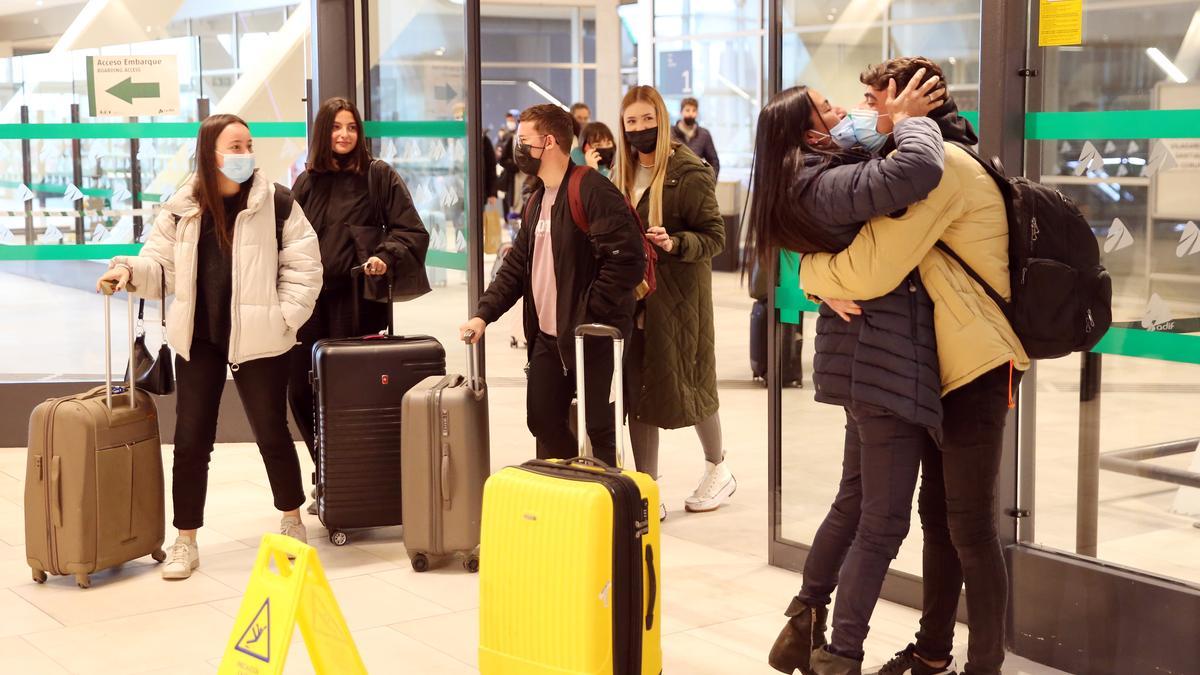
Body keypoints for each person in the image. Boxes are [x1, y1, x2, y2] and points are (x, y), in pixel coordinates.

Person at [799, 57, 1030, 675]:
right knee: (937, 518)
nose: (861, 112)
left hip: (977, 364)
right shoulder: (930, 156)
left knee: (970, 526)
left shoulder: (944, 167)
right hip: (940, 364)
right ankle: (932, 653)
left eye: (875, 99)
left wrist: (807, 275)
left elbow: (875, 266)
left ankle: (983, 664)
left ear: (907, 104)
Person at [739, 68, 951, 673]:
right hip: (883, 360)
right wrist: (910, 124)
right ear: (807, 137)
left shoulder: (801, 177)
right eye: (829, 112)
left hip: (861, 359)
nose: (843, 116)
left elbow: (867, 165)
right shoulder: (821, 184)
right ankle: (841, 654)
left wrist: (887, 124)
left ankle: (803, 620)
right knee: (884, 522)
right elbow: (914, 172)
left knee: (854, 501)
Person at [96, 114, 322, 581]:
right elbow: (160, 265)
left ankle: (291, 519)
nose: (244, 155)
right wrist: (127, 272)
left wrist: (283, 318)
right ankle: (186, 539)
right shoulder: (182, 207)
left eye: (248, 145)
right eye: (234, 147)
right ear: (209, 153)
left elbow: (304, 267)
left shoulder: (276, 202)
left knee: (271, 432)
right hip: (199, 338)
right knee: (191, 440)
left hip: (261, 338)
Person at [459, 104, 645, 467]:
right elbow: (515, 268)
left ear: (548, 142)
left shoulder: (592, 190)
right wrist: (484, 315)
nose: (518, 148)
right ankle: (576, 483)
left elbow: (628, 260)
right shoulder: (536, 199)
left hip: (593, 335)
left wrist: (589, 311)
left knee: (601, 429)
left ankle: (609, 507)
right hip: (548, 338)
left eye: (523, 141)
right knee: (541, 419)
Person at [287, 98, 431, 514]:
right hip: (309, 302)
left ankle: (350, 481)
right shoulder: (307, 182)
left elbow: (411, 230)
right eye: (336, 127)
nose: (345, 134)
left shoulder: (377, 175)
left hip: (357, 304)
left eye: (351, 127)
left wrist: (385, 254)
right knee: (300, 389)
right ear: (322, 133)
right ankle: (328, 471)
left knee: (353, 395)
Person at [614, 85, 728, 520]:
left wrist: (676, 241)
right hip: (634, 301)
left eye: (647, 119)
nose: (640, 128)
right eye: (631, 122)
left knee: (693, 384)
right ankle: (648, 484)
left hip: (679, 301)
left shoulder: (689, 171)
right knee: (640, 390)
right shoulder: (621, 174)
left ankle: (718, 467)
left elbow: (714, 237)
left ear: (662, 119)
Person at [670, 97, 720, 179]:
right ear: (681, 112)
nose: (691, 114)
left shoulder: (704, 134)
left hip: (696, 182)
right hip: (674, 183)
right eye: (687, 110)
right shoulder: (670, 133)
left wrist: (710, 182)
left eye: (694, 110)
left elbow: (714, 161)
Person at [498, 109, 521, 214]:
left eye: (512, 119)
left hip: (524, 178)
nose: (511, 122)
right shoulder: (509, 137)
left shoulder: (516, 135)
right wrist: (514, 167)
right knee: (510, 200)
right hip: (511, 176)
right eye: (509, 120)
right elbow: (501, 158)